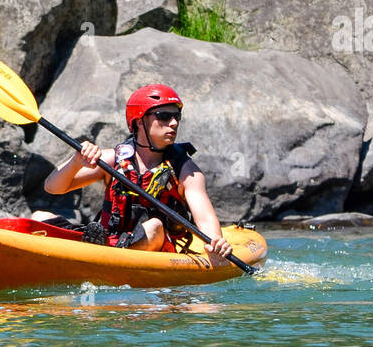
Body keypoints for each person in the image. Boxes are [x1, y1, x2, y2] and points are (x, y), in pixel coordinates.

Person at [41, 84, 234, 259]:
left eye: (177, 117)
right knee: (40, 217)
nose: (174, 123)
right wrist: (75, 162)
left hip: (158, 249)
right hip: (108, 242)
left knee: (154, 227)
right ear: (140, 122)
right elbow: (52, 187)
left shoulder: (186, 171)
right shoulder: (112, 160)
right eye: (165, 116)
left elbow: (205, 217)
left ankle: (110, 255)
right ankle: (98, 250)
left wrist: (215, 239)